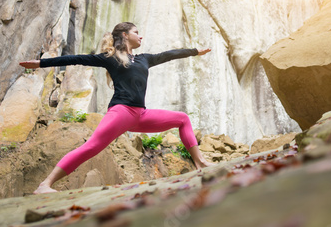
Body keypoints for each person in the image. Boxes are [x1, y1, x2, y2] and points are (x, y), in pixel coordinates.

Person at [20, 22, 213, 194]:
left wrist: (195, 51)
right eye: (136, 32)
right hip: (121, 112)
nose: (141, 36)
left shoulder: (144, 59)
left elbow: (169, 55)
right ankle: (45, 185)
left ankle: (200, 162)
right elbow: (76, 58)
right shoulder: (110, 58)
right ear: (125, 35)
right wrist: (41, 63)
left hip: (141, 115)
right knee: (91, 147)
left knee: (182, 118)